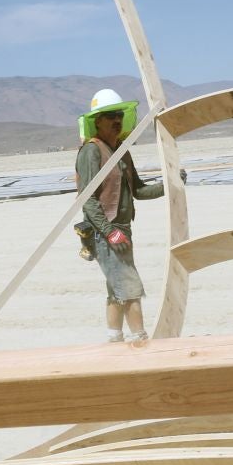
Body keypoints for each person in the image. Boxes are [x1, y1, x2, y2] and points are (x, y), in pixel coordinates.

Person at [74, 89, 165, 342]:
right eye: (110, 115)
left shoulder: (122, 151)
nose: (116, 120)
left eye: (118, 115)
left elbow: (138, 190)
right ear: (97, 121)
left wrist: (169, 184)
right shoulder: (91, 151)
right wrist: (109, 231)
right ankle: (140, 339)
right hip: (106, 232)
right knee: (130, 286)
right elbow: (87, 199)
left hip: (122, 229)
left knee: (117, 289)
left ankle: (114, 338)